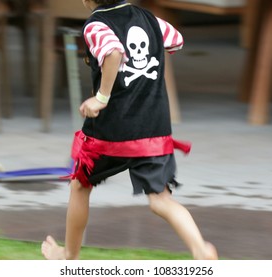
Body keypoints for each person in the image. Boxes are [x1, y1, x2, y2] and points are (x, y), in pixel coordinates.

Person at [41, 0, 218, 260]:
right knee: (161, 200)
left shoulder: (96, 25)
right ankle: (200, 249)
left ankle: (68, 255)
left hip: (112, 129)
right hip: (153, 127)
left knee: (80, 185)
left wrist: (101, 97)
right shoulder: (148, 19)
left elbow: (113, 52)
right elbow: (176, 40)